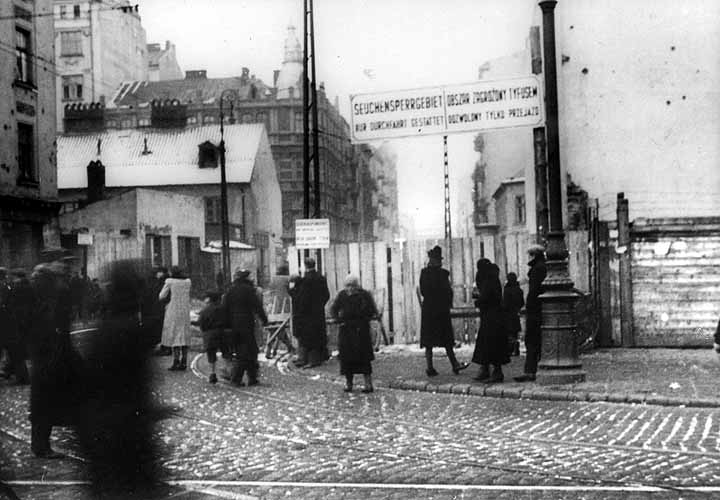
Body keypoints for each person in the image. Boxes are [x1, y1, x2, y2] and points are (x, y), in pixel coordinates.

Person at [27, 260, 81, 459]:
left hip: (44, 356)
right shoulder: (48, 300)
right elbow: (54, 329)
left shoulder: (39, 297)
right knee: (46, 401)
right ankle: (41, 446)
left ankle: (41, 444)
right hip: (49, 356)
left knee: (43, 401)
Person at [419, 246, 468, 377]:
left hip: (429, 309)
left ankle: (430, 368)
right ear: (435, 260)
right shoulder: (443, 274)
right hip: (440, 309)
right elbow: (447, 292)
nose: (440, 261)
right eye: (438, 259)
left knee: (429, 340)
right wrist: (447, 303)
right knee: (446, 339)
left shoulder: (424, 273)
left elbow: (423, 291)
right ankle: (454, 364)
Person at [330, 274, 378, 393]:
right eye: (348, 286)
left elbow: (372, 310)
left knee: (364, 359)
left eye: (352, 286)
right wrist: (338, 320)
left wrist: (365, 318)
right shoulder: (342, 295)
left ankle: (368, 384)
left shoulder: (364, 295)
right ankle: (349, 383)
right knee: (347, 359)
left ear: (357, 286)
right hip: (346, 330)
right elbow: (333, 309)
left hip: (361, 330)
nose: (350, 288)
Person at [223, 268, 268, 386]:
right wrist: (264, 319)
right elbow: (257, 306)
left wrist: (226, 325)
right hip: (246, 324)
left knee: (243, 351)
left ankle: (249, 378)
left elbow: (225, 308)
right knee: (249, 352)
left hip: (233, 326)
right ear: (246, 278)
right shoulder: (249, 290)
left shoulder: (230, 291)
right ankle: (240, 378)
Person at [514, 244, 547, 382]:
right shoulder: (542, 267)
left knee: (531, 340)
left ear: (533, 255)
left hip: (535, 310)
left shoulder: (536, 269)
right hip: (540, 308)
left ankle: (530, 371)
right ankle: (535, 369)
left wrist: (529, 306)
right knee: (537, 340)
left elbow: (534, 292)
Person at [471, 259, 507, 383]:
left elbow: (486, 297)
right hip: (493, 316)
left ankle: (496, 372)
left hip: (491, 316)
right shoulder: (492, 278)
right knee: (488, 343)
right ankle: (486, 369)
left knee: (491, 344)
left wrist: (478, 301)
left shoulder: (489, 280)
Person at [291, 258, 330, 368]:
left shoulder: (305, 280)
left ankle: (307, 360)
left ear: (305, 266)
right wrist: (319, 305)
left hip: (306, 314)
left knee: (307, 337)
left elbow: (301, 298)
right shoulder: (321, 278)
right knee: (318, 336)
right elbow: (326, 295)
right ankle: (316, 358)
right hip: (318, 313)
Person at [159, 266, 192, 371]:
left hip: (173, 310)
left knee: (174, 335)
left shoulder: (170, 281)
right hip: (185, 310)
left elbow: (161, 296)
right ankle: (184, 361)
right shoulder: (187, 282)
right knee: (184, 334)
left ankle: (176, 361)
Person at [197, 291, 226, 384]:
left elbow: (201, 323)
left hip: (209, 335)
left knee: (211, 354)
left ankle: (212, 373)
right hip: (222, 333)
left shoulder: (205, 310)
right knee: (226, 352)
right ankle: (227, 370)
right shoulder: (223, 309)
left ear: (209, 299)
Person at [142, 266, 170, 355]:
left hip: (154, 308)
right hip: (155, 308)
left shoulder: (155, 281)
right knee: (159, 328)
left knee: (159, 328)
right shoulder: (161, 281)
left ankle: (161, 346)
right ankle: (161, 346)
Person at [502, 272, 525, 357]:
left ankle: (511, 349)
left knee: (509, 332)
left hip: (508, 314)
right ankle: (516, 348)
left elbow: (505, 303)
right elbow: (522, 303)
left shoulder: (507, 290)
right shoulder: (519, 290)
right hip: (515, 313)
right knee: (514, 332)